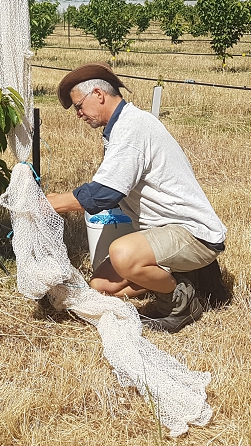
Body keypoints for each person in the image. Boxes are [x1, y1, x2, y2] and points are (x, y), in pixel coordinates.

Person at [45, 62, 227, 332]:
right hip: (165, 231)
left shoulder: (132, 128)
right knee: (101, 285)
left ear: (98, 94)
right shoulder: (122, 127)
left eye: (79, 106)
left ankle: (182, 303)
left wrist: (49, 204)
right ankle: (183, 277)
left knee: (123, 254)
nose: (79, 114)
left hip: (193, 234)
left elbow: (104, 194)